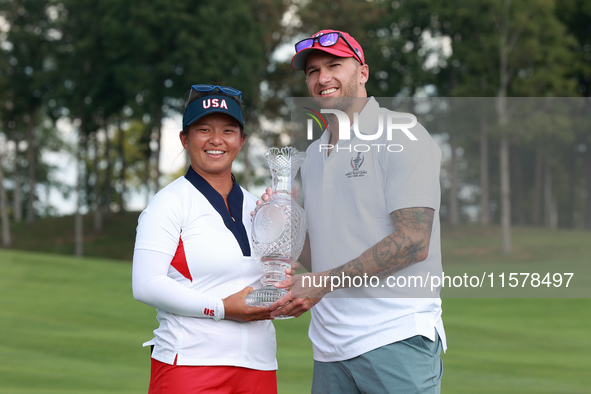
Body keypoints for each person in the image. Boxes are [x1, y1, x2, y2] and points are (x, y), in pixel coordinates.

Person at [269, 30, 447, 393]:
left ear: (362, 72)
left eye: (335, 65)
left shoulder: (401, 134)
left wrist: (322, 282)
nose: (323, 78)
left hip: (395, 337)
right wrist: (284, 222)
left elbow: (414, 242)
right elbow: (319, 256)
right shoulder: (315, 154)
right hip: (330, 347)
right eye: (313, 71)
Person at [132, 84, 277, 394]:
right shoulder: (169, 203)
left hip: (259, 364)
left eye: (228, 130)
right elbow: (145, 284)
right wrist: (222, 307)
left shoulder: (260, 208)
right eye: (203, 129)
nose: (216, 140)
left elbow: (270, 280)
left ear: (241, 141)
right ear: (185, 139)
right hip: (189, 364)